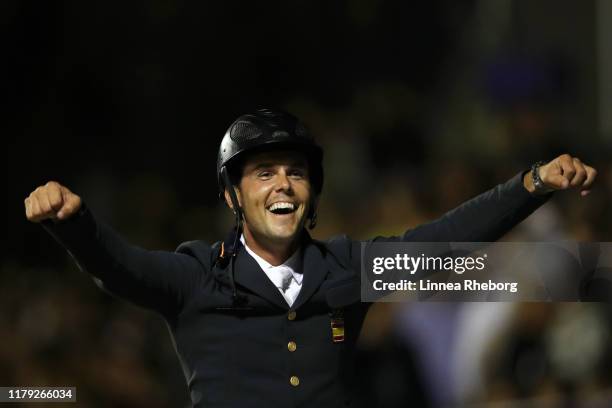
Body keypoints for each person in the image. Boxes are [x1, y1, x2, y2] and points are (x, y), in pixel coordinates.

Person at [24, 108, 597, 407]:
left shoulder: (348, 267)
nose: (283, 185)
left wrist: (532, 184)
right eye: (264, 172)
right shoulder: (196, 276)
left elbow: (439, 245)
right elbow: (120, 267)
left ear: (312, 191)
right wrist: (74, 225)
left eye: (295, 172)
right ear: (232, 195)